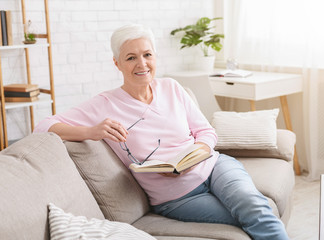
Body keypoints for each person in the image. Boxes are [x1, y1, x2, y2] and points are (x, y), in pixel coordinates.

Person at [34, 24, 289, 240]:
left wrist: (199, 151)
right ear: (117, 64)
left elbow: (206, 131)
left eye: (147, 55)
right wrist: (92, 131)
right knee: (248, 214)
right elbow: (43, 126)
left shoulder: (172, 87)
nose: (141, 64)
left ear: (155, 57)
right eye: (131, 57)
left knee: (254, 207)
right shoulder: (104, 104)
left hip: (214, 167)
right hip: (177, 198)